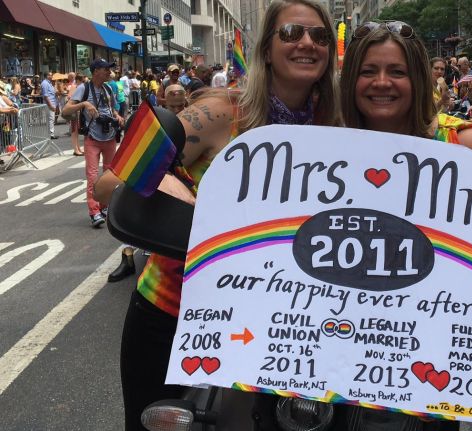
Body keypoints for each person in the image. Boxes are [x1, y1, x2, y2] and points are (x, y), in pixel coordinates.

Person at [93, 1, 340, 428]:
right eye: (290, 33)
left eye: (319, 36)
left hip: (286, 325)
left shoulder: (336, 124)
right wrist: (173, 190)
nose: (306, 43)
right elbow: (107, 185)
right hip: (173, 314)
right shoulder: (223, 113)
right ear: (265, 49)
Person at [339, 24, 472, 430]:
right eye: (369, 71)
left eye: (397, 72)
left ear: (417, 78)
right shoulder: (330, 148)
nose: (382, 83)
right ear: (352, 81)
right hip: (387, 338)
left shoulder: (465, 144)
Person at [61, 59, 124, 227]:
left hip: (110, 137)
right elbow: (65, 110)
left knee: (110, 176)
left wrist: (117, 116)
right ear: (96, 71)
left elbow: (113, 108)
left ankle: (105, 206)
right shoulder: (84, 88)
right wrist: (84, 103)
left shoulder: (109, 88)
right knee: (92, 176)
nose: (109, 72)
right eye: (106, 69)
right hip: (93, 139)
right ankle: (94, 211)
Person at [67, 74, 85, 156]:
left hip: (78, 111)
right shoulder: (75, 87)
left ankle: (78, 148)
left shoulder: (78, 87)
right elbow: (69, 97)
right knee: (74, 131)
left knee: (77, 131)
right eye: (83, 80)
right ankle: (76, 149)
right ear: (78, 80)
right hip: (74, 111)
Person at [41, 72, 58, 139]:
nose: (52, 76)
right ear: (47, 76)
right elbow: (46, 96)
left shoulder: (49, 83)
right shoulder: (45, 83)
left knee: (51, 119)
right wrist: (50, 105)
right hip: (49, 104)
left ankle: (50, 133)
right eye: (50, 75)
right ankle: (51, 134)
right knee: (51, 119)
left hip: (52, 103)